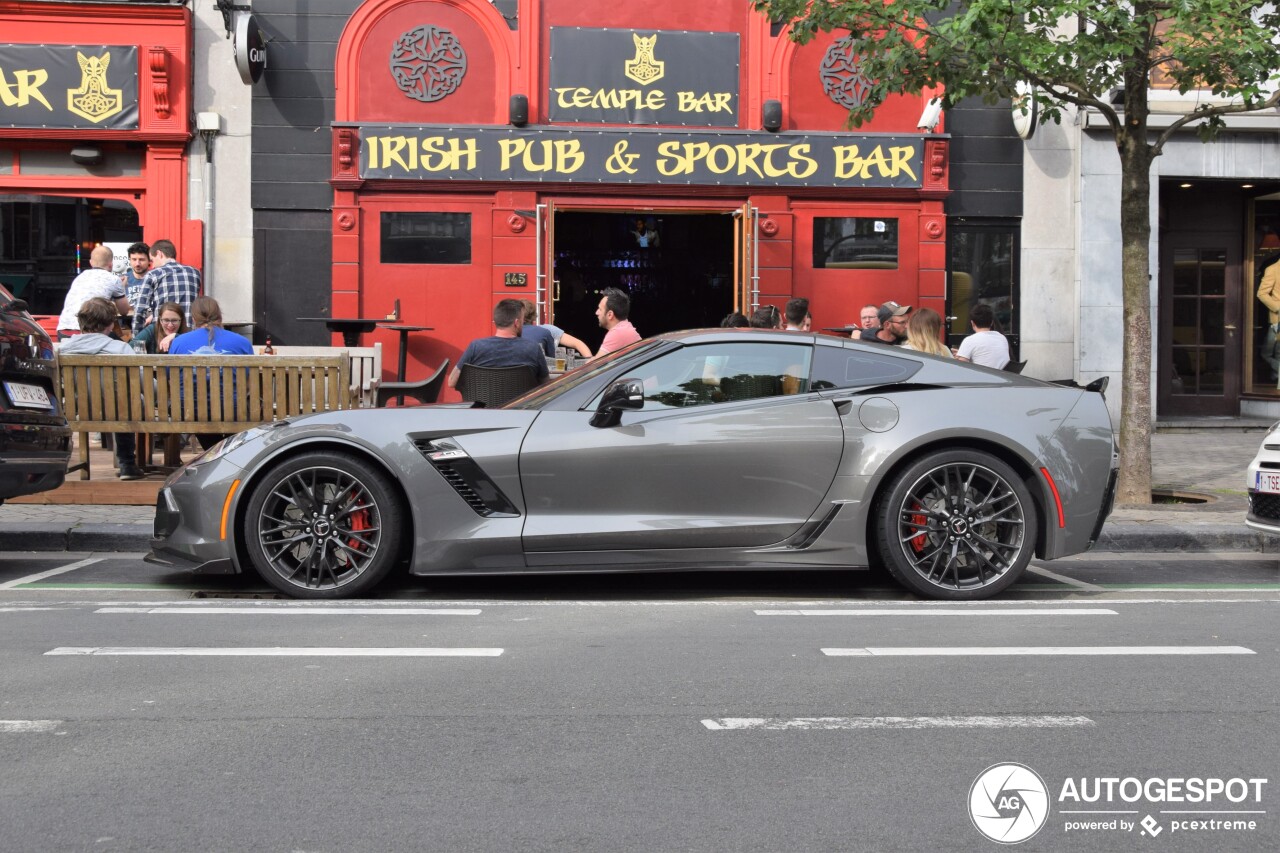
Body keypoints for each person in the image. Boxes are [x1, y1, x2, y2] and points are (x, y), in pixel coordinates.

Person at [56, 297, 143, 480]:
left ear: (80, 322)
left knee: (122, 404)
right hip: (118, 411)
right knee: (124, 404)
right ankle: (127, 465)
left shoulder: (63, 349)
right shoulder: (121, 348)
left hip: (77, 410)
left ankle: (60, 465)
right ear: (111, 324)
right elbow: (140, 381)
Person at [168, 296, 253, 450]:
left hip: (189, 410)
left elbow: (171, 378)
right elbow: (249, 378)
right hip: (232, 410)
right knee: (229, 408)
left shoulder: (179, 342)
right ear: (220, 316)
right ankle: (223, 454)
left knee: (200, 412)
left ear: (194, 319)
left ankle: (214, 452)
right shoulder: (242, 342)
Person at [448, 298, 550, 389]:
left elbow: (452, 382)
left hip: (483, 409)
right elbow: (546, 385)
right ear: (516, 323)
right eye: (522, 320)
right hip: (521, 408)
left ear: (496, 321)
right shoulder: (533, 348)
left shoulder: (476, 347)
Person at [56, 245, 129, 340]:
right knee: (121, 345)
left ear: (91, 262)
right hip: (89, 332)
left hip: (63, 331)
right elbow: (124, 311)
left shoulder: (80, 277)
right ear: (111, 264)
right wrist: (121, 288)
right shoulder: (114, 279)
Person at [131, 239, 201, 335]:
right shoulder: (194, 273)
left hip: (163, 333)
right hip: (189, 333)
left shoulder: (153, 274)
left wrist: (137, 337)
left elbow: (140, 309)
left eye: (152, 260)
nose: (153, 265)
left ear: (159, 254)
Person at [521, 299, 593, 359]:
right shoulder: (547, 329)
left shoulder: (510, 332)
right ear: (534, 316)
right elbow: (578, 344)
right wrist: (591, 365)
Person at [955, 303, 1010, 369]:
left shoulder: (969, 340)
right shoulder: (1002, 338)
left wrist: (959, 357)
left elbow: (961, 368)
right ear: (992, 322)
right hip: (1001, 377)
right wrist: (964, 353)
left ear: (972, 323)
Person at [595, 287, 641, 356]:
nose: (596, 312)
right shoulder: (624, 327)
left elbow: (595, 365)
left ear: (610, 314)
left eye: (600, 309)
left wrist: (577, 343)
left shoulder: (617, 333)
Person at [121, 241, 151, 314]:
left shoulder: (155, 279)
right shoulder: (122, 280)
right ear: (130, 260)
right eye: (134, 259)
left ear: (149, 261)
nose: (137, 264)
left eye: (141, 260)